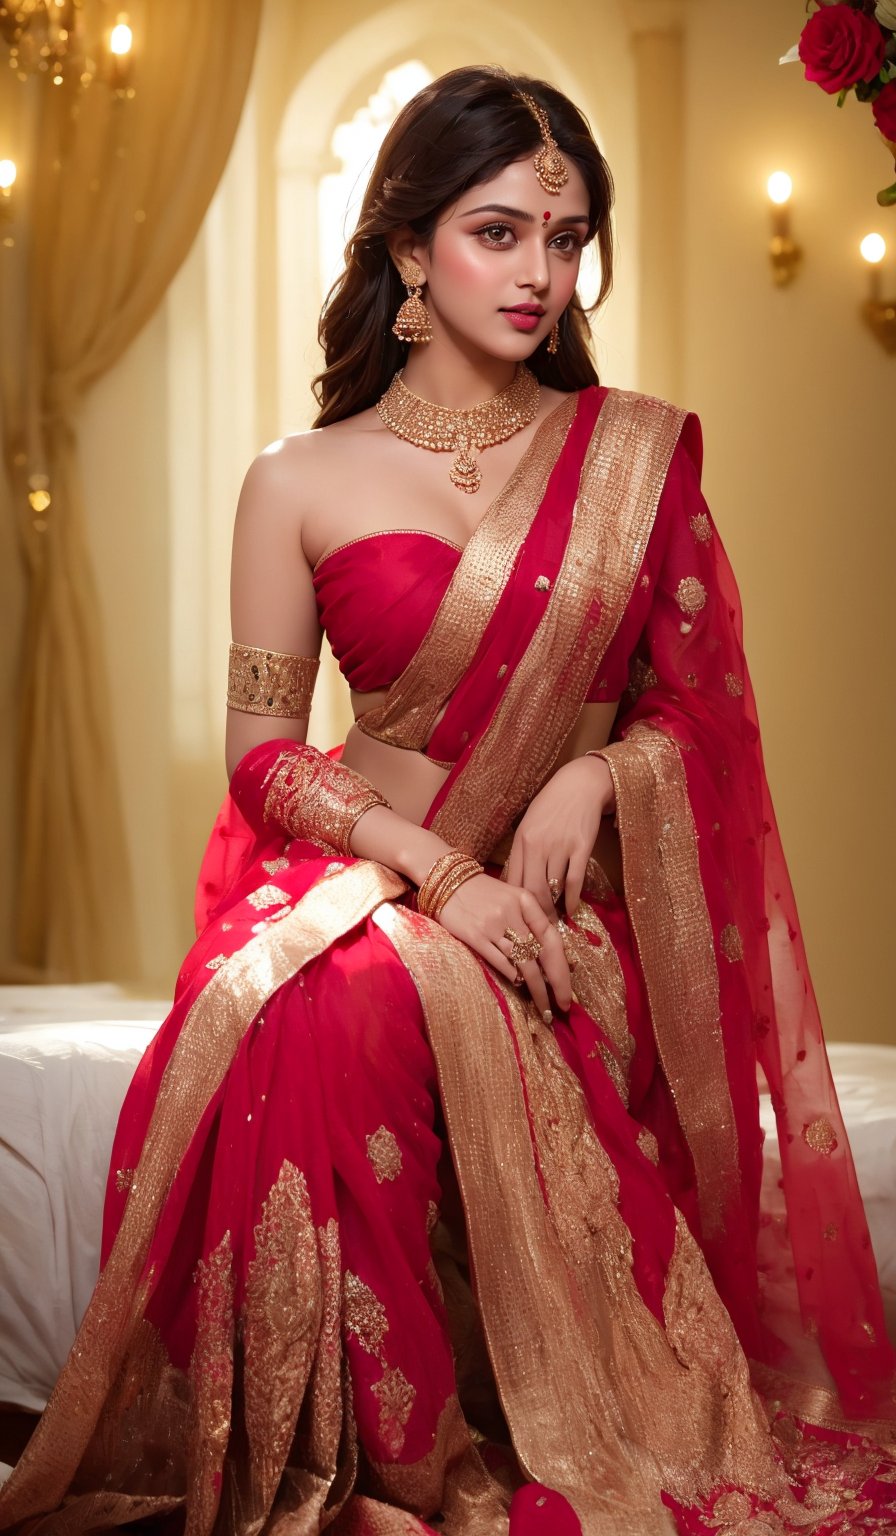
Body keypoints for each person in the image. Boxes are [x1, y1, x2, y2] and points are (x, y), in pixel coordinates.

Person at [1, 64, 894, 1536]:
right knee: (316, 1000)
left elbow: (704, 716)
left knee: (366, 996)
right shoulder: (298, 477)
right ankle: (361, 1465)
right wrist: (435, 872)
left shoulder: (637, 457)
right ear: (410, 247)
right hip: (368, 877)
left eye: (567, 237)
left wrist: (597, 775)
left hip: (561, 914)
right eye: (499, 233)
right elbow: (265, 749)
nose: (541, 272)